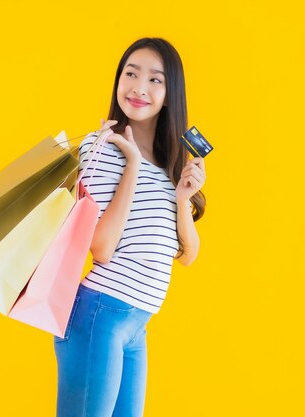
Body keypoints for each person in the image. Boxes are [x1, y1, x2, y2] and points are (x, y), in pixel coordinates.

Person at [53, 37, 207, 417]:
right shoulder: (101, 146)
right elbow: (101, 249)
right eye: (130, 74)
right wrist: (132, 165)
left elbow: (187, 256)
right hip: (100, 314)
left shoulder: (168, 166)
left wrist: (182, 197)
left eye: (155, 80)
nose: (139, 87)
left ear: (170, 94)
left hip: (137, 326)